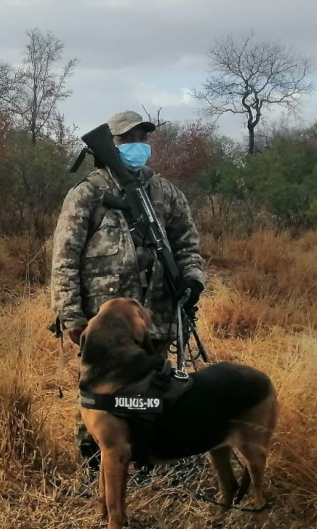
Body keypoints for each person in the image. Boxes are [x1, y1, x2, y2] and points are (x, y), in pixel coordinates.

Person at [50, 110, 206, 484]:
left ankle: (146, 464)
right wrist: (72, 315)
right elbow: (64, 258)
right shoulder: (87, 193)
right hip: (102, 323)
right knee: (99, 395)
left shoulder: (165, 191)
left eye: (143, 138)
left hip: (157, 315)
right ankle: (94, 471)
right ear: (111, 145)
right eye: (127, 139)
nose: (138, 145)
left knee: (150, 394)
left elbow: (188, 244)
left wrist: (192, 280)